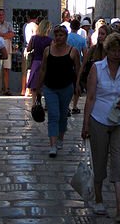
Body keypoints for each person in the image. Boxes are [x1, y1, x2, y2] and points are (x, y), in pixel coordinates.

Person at [82, 32, 120, 222]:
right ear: (107, 49)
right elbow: (90, 97)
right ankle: (99, 199)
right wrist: (85, 123)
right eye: (114, 50)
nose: (117, 54)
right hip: (99, 119)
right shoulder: (97, 68)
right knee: (99, 159)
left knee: (119, 162)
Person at [37, 25, 81, 157]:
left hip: (66, 88)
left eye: (61, 35)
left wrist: (78, 85)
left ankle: (60, 138)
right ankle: (53, 145)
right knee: (53, 115)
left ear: (66, 36)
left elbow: (78, 70)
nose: (58, 38)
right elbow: (43, 69)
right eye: (56, 35)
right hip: (50, 87)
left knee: (62, 114)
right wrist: (39, 86)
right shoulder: (47, 51)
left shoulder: (73, 51)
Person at [26, 18, 52, 106]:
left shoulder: (34, 38)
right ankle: (46, 104)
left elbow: (28, 49)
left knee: (35, 84)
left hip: (36, 62)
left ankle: (34, 103)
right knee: (46, 83)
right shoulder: (50, 40)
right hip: (46, 63)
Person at [77, 23, 110, 92]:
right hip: (93, 83)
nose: (100, 36)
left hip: (107, 84)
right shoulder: (93, 49)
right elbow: (83, 65)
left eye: (102, 34)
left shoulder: (111, 51)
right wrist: (78, 82)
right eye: (99, 34)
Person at [67, 18, 88, 114]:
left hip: (66, 63)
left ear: (70, 27)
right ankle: (74, 106)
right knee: (76, 84)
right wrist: (84, 65)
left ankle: (66, 105)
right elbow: (85, 53)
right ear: (79, 27)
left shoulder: (66, 37)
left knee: (66, 85)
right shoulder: (82, 40)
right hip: (77, 64)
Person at [0, 8, 15, 95]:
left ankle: (6, 89)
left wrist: (1, 34)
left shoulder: (8, 24)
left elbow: (12, 34)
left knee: (6, 70)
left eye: (2, 14)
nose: (1, 16)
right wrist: (6, 35)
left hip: (7, 49)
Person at [21, 10, 38, 96]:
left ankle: (23, 89)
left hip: (25, 48)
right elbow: (35, 38)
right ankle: (28, 90)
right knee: (30, 70)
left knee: (24, 70)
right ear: (37, 18)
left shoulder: (25, 25)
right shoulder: (35, 26)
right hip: (31, 49)